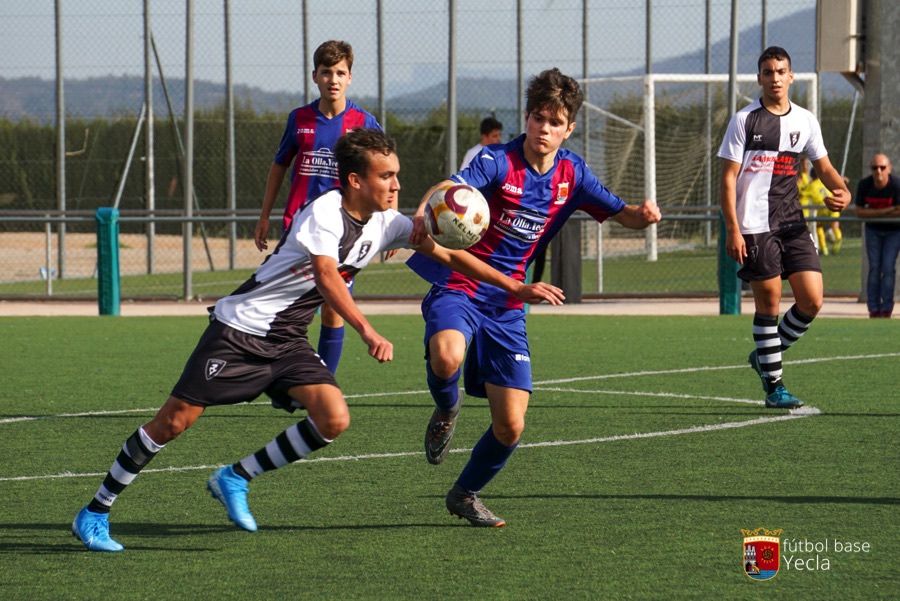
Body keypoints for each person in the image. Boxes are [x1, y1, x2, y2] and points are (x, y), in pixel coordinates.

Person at [71, 128, 565, 553]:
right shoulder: (323, 213)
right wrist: (367, 330)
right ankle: (96, 510)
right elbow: (328, 278)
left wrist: (514, 286)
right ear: (356, 181)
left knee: (333, 417)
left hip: (285, 338)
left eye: (396, 174)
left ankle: (235, 476)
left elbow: (449, 256)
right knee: (173, 422)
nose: (396, 185)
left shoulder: (388, 223)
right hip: (240, 329)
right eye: (386, 176)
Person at [406, 68, 661, 527]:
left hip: (508, 303)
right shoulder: (495, 161)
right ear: (527, 117)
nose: (544, 129)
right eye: (538, 118)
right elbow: (448, 188)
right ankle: (447, 408)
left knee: (511, 425)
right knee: (446, 356)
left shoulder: (573, 174)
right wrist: (425, 211)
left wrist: (641, 216)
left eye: (555, 122)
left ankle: (464, 494)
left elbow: (621, 213)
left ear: (570, 128)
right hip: (462, 283)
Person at [718, 46, 851, 409]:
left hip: (792, 221)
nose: (774, 78)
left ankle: (764, 355)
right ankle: (774, 386)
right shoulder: (744, 120)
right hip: (754, 226)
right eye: (767, 72)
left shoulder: (805, 120)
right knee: (770, 302)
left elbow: (823, 167)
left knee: (812, 299)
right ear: (759, 78)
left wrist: (841, 190)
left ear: (790, 76)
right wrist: (733, 229)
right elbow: (728, 180)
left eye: (780, 71)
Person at [253, 40, 382, 376]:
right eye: (327, 72)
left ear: (350, 77)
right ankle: (281, 376)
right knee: (289, 308)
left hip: (344, 231)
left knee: (332, 308)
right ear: (315, 76)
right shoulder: (299, 119)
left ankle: (323, 382)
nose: (333, 79)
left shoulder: (364, 122)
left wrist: (385, 221)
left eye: (340, 72)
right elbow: (279, 165)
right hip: (298, 228)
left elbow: (384, 170)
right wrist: (265, 215)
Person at [854, 153, 900, 318]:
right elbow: (859, 211)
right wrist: (888, 211)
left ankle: (886, 309)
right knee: (874, 268)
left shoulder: (896, 184)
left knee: (888, 268)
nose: (878, 171)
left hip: (894, 232)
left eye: (882, 167)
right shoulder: (865, 184)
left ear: (889, 168)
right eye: (875, 167)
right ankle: (874, 309)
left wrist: (872, 212)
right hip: (873, 231)